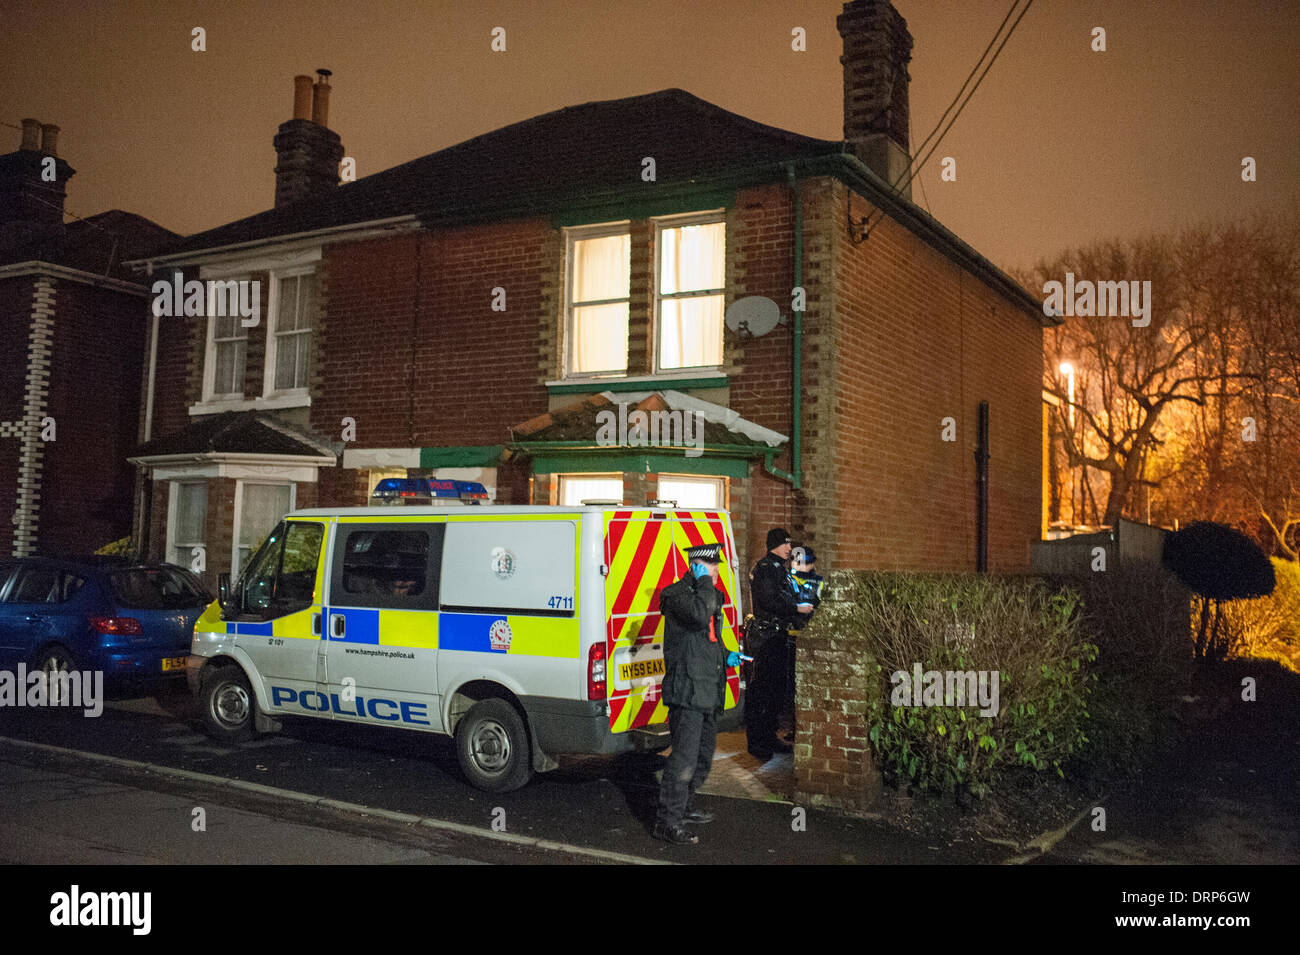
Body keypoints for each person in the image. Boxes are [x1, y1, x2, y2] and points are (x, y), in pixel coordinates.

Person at [652, 542, 742, 845]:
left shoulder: (709, 596)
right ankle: (667, 822)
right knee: (684, 760)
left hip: (706, 690)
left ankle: (686, 806)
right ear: (697, 566)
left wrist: (726, 654)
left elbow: (708, 638)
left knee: (702, 758)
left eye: (716, 566)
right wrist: (703, 581)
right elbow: (700, 617)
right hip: (687, 692)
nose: (717, 571)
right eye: (711, 566)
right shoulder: (677, 596)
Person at [746, 528, 813, 759]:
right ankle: (758, 743)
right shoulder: (766, 569)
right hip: (766, 639)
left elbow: (788, 597)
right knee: (762, 691)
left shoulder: (780, 570)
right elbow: (770, 600)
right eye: (785, 544)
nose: (789, 548)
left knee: (775, 692)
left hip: (778, 637)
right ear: (773, 545)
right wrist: (796, 608)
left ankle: (769, 737)